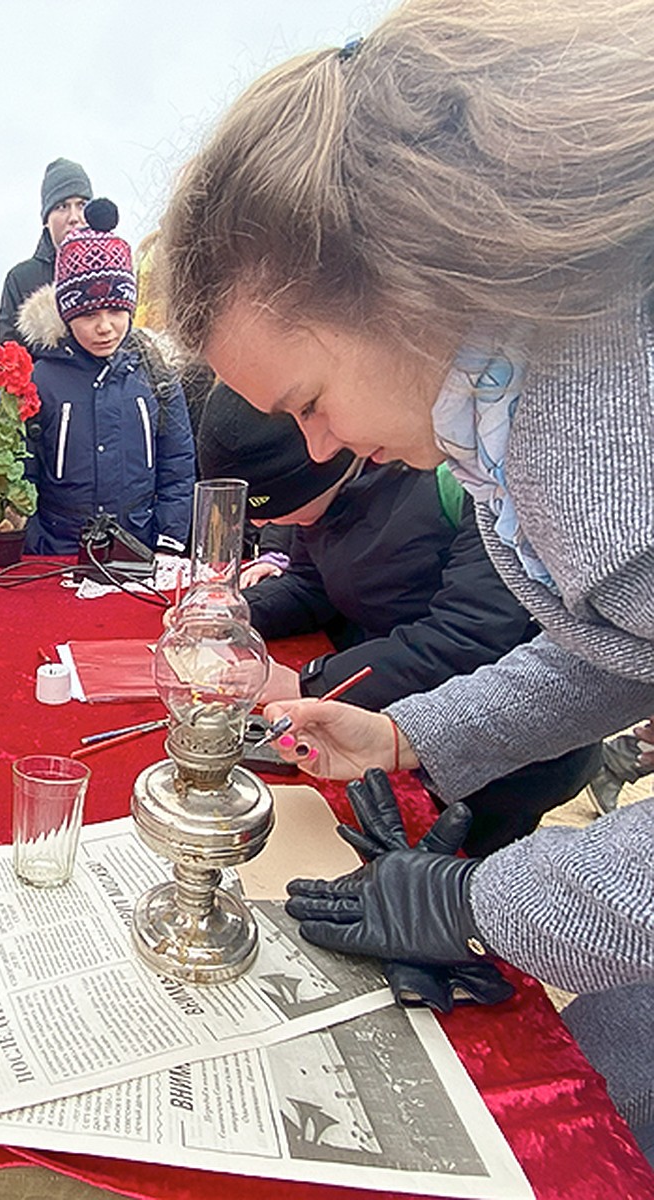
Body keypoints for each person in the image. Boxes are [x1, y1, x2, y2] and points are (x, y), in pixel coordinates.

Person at [159, 0, 654, 1157]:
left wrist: (487, 903)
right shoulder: (523, 391)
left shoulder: (614, 424)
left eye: (308, 403)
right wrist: (406, 737)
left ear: (393, 284)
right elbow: (612, 646)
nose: (319, 450)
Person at [198, 382, 599, 855]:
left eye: (265, 511)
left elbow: (470, 634)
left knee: (455, 868)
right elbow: (311, 585)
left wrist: (308, 682)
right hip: (388, 721)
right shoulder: (318, 505)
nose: (260, 527)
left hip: (503, 747)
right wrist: (237, 612)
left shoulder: (466, 483)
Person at [17, 199, 194, 557]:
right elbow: (22, 471)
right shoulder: (40, 380)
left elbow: (177, 466)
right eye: (88, 314)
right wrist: (36, 544)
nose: (104, 327)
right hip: (58, 555)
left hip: (139, 553)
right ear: (67, 315)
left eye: (116, 310)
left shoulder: (156, 374)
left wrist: (168, 542)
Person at [0, 158, 92, 349]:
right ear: (46, 219)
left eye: (81, 205)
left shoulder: (116, 273)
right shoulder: (21, 279)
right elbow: (7, 358)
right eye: (62, 206)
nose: (74, 218)